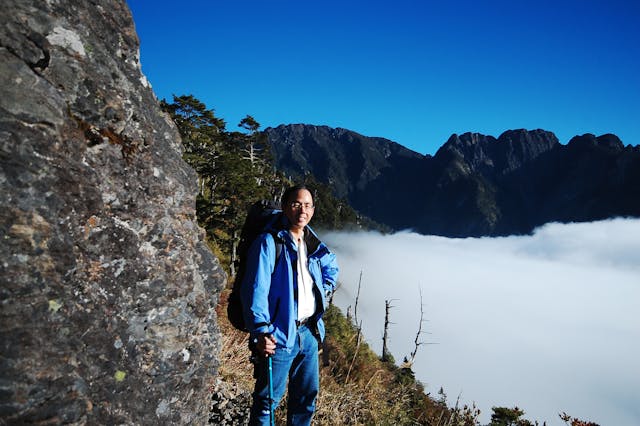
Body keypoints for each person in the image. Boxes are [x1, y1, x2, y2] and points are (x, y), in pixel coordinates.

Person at [241, 185, 339, 425]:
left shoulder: (310, 241)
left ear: (313, 210)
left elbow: (332, 267)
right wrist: (261, 330)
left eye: (307, 205)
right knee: (267, 403)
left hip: (308, 332)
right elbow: (255, 290)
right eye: (296, 204)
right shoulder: (269, 242)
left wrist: (324, 290)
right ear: (285, 207)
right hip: (278, 335)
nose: (302, 210)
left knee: (305, 400)